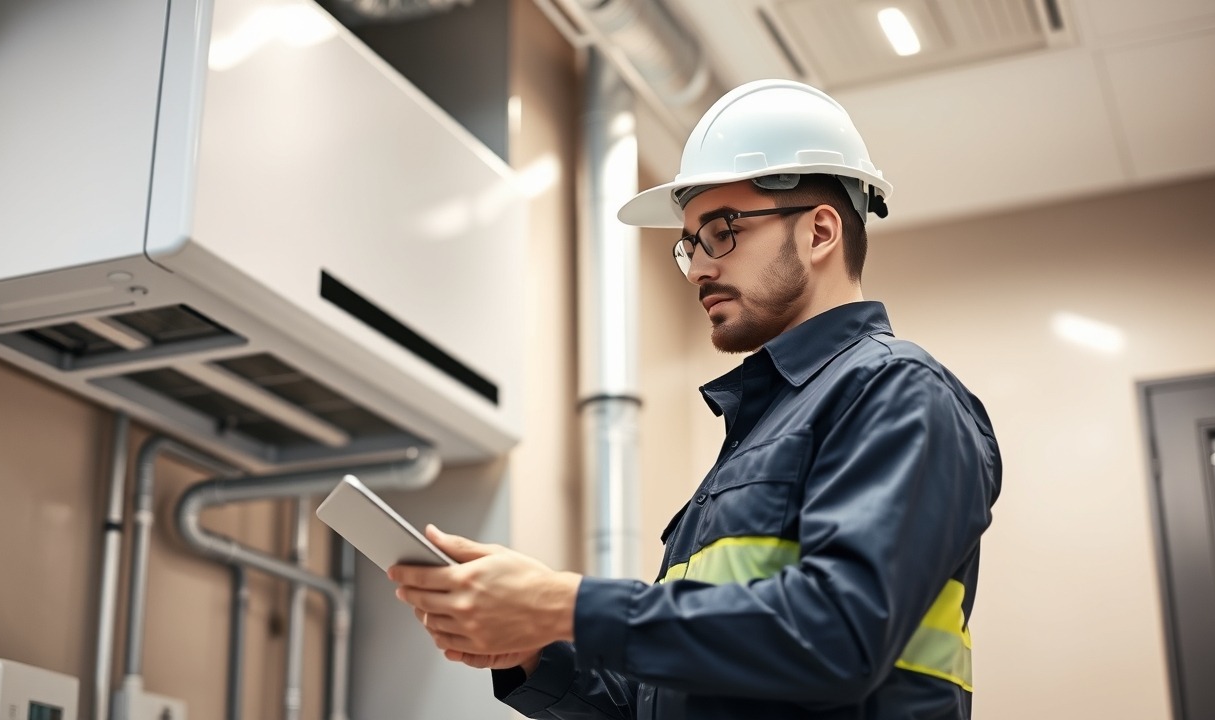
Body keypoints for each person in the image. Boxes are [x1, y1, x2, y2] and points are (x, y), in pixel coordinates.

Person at [389, 78, 1002, 720]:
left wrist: (563, 603)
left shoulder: (897, 390)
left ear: (820, 232)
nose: (700, 268)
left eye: (722, 232)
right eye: (690, 246)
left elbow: (839, 637)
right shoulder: (762, 429)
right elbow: (675, 699)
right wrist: (537, 651)